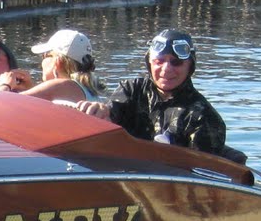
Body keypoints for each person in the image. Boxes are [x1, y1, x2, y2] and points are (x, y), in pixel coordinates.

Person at [78, 29, 238, 159]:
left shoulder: (203, 117)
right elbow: (108, 118)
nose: (166, 69)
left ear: (190, 66)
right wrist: (97, 112)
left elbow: (204, 174)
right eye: (159, 61)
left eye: (176, 62)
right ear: (149, 63)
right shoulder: (131, 90)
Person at [20, 28, 102, 102]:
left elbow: (11, 102)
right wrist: (30, 88)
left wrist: (7, 84)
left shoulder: (61, 86)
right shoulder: (88, 90)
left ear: (57, 61)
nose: (42, 62)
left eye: (45, 56)